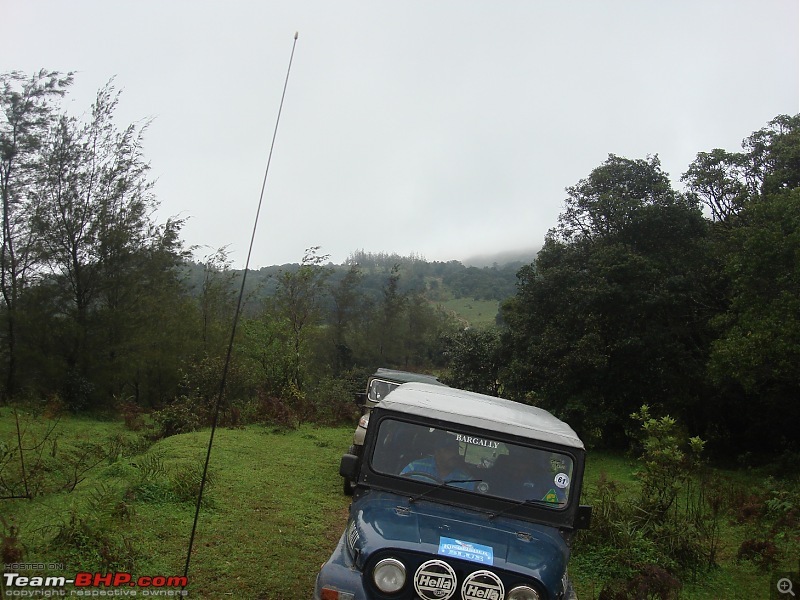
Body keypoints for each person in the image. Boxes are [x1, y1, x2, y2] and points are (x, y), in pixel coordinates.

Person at [400, 431, 475, 489]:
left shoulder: (466, 481)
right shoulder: (414, 468)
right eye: (448, 450)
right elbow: (399, 487)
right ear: (437, 452)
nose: (454, 454)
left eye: (456, 450)